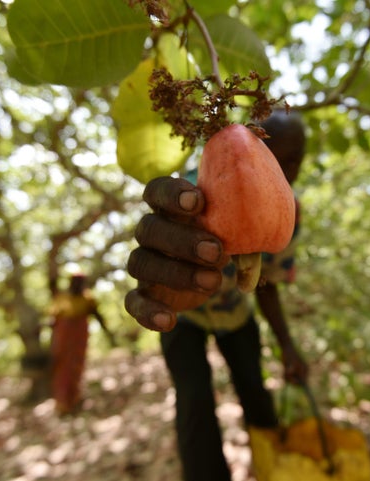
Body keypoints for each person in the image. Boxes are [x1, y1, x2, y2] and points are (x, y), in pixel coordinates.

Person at [125, 112, 310, 481]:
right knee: (194, 401)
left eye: (297, 159)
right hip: (184, 319)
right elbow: (160, 244)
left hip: (235, 315)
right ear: (257, 148)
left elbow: (267, 283)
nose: (291, 168)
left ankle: (274, 470)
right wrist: (160, 283)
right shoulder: (194, 195)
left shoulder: (289, 211)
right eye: (281, 155)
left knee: (256, 393)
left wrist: (287, 346)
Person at [48, 272, 109, 415]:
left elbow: (97, 315)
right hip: (63, 339)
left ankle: (74, 400)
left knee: (76, 367)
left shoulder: (88, 299)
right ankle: (62, 402)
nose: (77, 286)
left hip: (78, 339)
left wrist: (109, 334)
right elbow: (54, 320)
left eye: (80, 283)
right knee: (61, 368)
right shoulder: (61, 298)